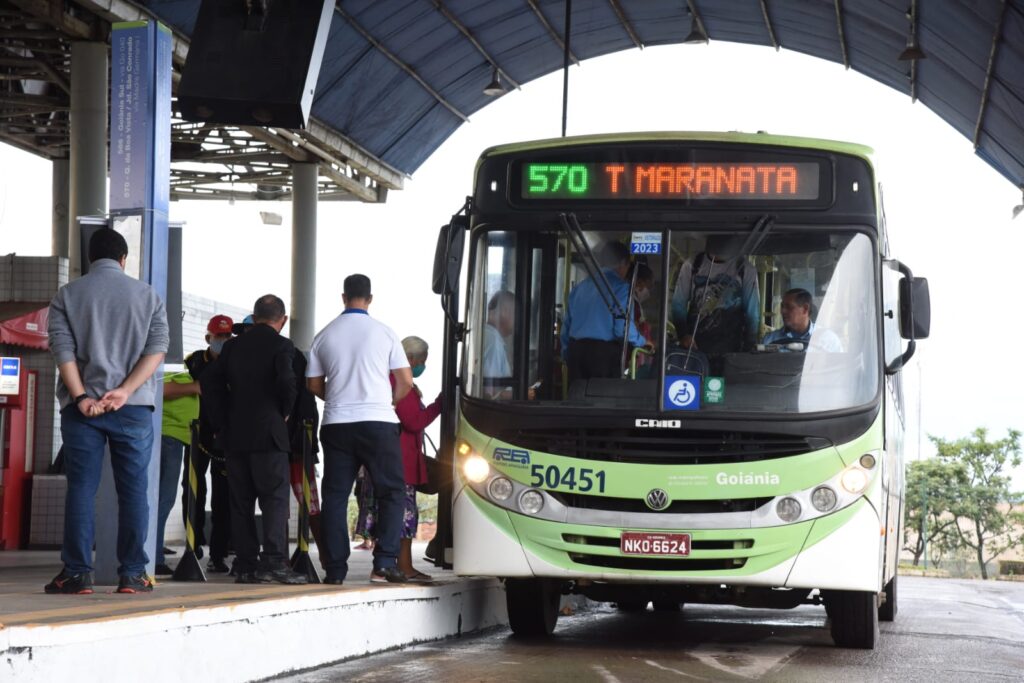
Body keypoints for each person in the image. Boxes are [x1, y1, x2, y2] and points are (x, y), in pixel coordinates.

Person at [45, 227, 169, 594]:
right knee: (134, 491)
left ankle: (77, 573)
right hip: (132, 408)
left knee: (82, 489)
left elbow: (62, 351)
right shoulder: (147, 296)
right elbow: (158, 349)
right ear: (123, 259)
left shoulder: (67, 295)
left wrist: (83, 397)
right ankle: (132, 574)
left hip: (82, 411)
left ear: (90, 259)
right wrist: (125, 391)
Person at [306, 274, 413, 585]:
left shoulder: (324, 335)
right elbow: (405, 380)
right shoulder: (385, 333)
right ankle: (383, 564)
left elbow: (313, 383)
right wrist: (388, 403)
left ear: (343, 297)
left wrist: (339, 398)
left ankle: (335, 570)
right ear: (369, 298)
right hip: (378, 422)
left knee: (336, 497)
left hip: (337, 424)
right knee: (391, 492)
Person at [201, 295, 307, 584]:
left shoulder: (233, 346)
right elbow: (287, 381)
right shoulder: (282, 345)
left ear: (255, 316)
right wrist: (284, 411)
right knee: (274, 500)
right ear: (282, 320)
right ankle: (273, 562)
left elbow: (210, 380)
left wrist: (222, 419)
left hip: (235, 436)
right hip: (269, 434)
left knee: (241, 502)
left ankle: (246, 565)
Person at [183, 314, 235, 573]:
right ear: (208, 338)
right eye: (219, 336)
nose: (223, 341)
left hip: (223, 437)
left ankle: (218, 554)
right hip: (196, 435)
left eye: (227, 337)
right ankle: (193, 544)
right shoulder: (193, 361)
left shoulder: (236, 363)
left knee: (223, 497)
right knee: (192, 490)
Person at [561, 240, 648, 382]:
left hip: (575, 353)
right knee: (602, 401)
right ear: (623, 263)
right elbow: (622, 329)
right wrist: (642, 342)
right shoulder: (622, 288)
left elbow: (566, 328)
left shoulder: (580, 288)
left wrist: (567, 353)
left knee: (576, 401)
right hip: (603, 355)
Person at [392, 336, 441, 581]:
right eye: (422, 361)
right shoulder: (401, 383)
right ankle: (404, 566)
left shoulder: (395, 379)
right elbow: (413, 421)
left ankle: (394, 565)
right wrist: (438, 405)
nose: (423, 366)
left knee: (399, 514)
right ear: (410, 359)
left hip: (398, 460)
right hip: (401, 462)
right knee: (405, 516)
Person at [670, 238, 760, 357]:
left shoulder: (745, 269)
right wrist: (683, 335)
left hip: (733, 345)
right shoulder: (692, 265)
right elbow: (678, 304)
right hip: (695, 345)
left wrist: (749, 344)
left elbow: (752, 313)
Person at [154, 365, 201, 576]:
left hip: (176, 437)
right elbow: (161, 389)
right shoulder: (171, 368)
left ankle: (154, 550)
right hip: (167, 436)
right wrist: (195, 386)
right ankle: (153, 557)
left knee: (164, 499)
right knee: (163, 499)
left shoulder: (182, 369)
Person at [762, 288, 843, 352]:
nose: (782, 311)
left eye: (789, 307)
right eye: (782, 306)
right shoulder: (770, 340)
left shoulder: (828, 340)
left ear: (805, 309)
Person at [482, 291, 514, 378]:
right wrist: (526, 391)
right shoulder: (493, 341)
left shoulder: (484, 334)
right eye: (515, 314)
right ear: (505, 311)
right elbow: (490, 390)